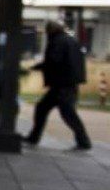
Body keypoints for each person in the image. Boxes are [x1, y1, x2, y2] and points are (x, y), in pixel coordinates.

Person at [23, 19, 92, 150]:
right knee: (45, 109)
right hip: (67, 83)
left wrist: (36, 67)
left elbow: (53, 61)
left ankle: (84, 141)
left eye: (47, 29)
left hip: (62, 85)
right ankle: (34, 137)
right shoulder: (70, 40)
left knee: (66, 113)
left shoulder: (57, 41)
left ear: (51, 30)